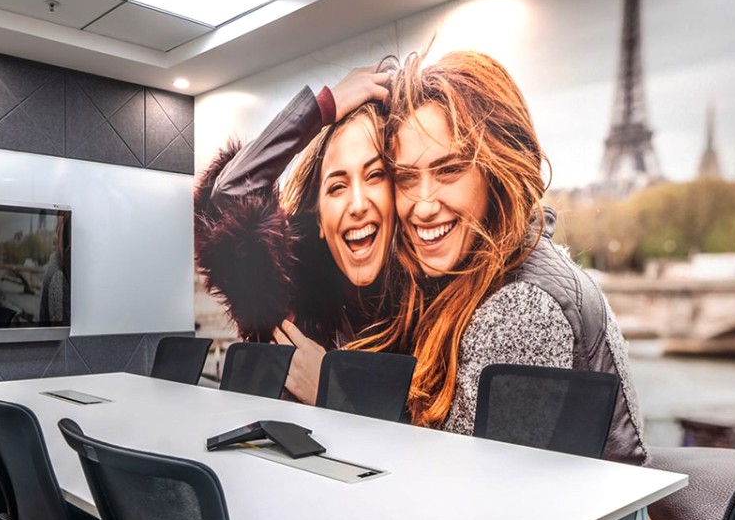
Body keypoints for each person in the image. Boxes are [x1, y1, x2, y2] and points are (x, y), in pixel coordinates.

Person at [358, 50, 648, 465]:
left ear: (498, 170)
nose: (421, 205)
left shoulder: (520, 309)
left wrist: (344, 399)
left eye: (449, 170)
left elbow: (472, 500)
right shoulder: (496, 275)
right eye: (406, 177)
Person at [195, 65, 397, 402]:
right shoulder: (292, 291)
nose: (358, 204)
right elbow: (228, 196)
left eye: (375, 175)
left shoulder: (423, 305)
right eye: (337, 186)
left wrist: (328, 390)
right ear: (319, 219)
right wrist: (322, 108)